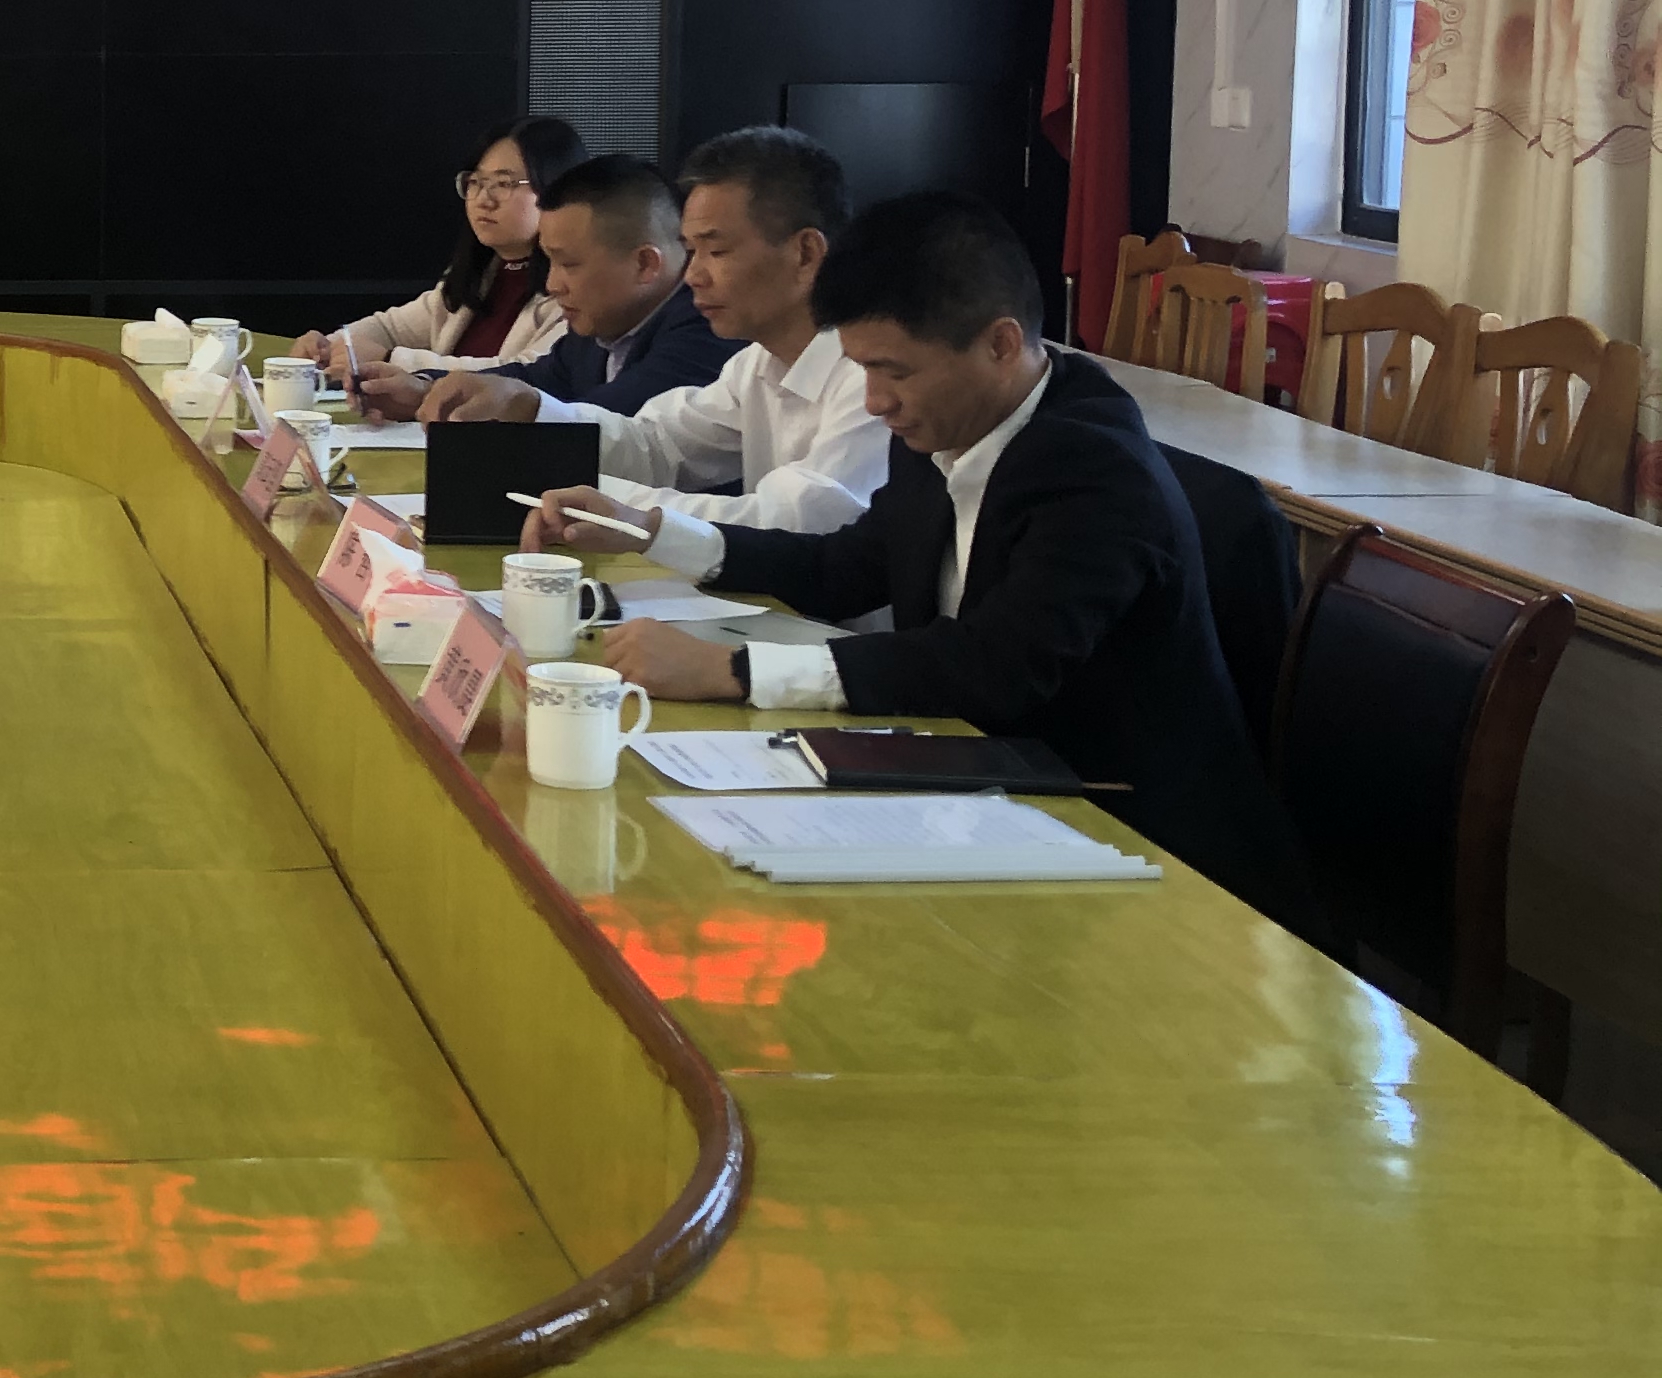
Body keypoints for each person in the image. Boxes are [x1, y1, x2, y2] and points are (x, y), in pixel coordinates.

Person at [593, 190, 1327, 936]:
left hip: (1147, 859)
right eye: (862, 370)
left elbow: (996, 664)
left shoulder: (1092, 468)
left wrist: (734, 671)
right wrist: (652, 532)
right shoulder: (950, 425)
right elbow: (844, 567)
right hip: (995, 802)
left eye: (895, 372)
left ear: (1001, 344)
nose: (875, 402)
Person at [445, 127, 890, 541]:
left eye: (717, 251)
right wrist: (533, 409)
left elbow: (801, 520)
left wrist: (638, 518)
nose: (693, 275)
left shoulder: (875, 375)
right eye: (691, 251)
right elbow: (656, 446)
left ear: (805, 253)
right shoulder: (755, 363)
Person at [417, 150, 738, 423]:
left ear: (645, 264)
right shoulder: (605, 320)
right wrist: (424, 387)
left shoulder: (706, 331)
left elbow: (610, 424)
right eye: (549, 261)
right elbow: (535, 381)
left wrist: (525, 406)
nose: (552, 284)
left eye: (568, 264)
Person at [301, 116, 582, 416]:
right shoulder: (482, 272)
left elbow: (526, 374)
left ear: (556, 190)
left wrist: (392, 359)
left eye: (504, 184)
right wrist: (329, 347)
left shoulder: (573, 287)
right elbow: (391, 327)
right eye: (476, 182)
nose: (483, 199)